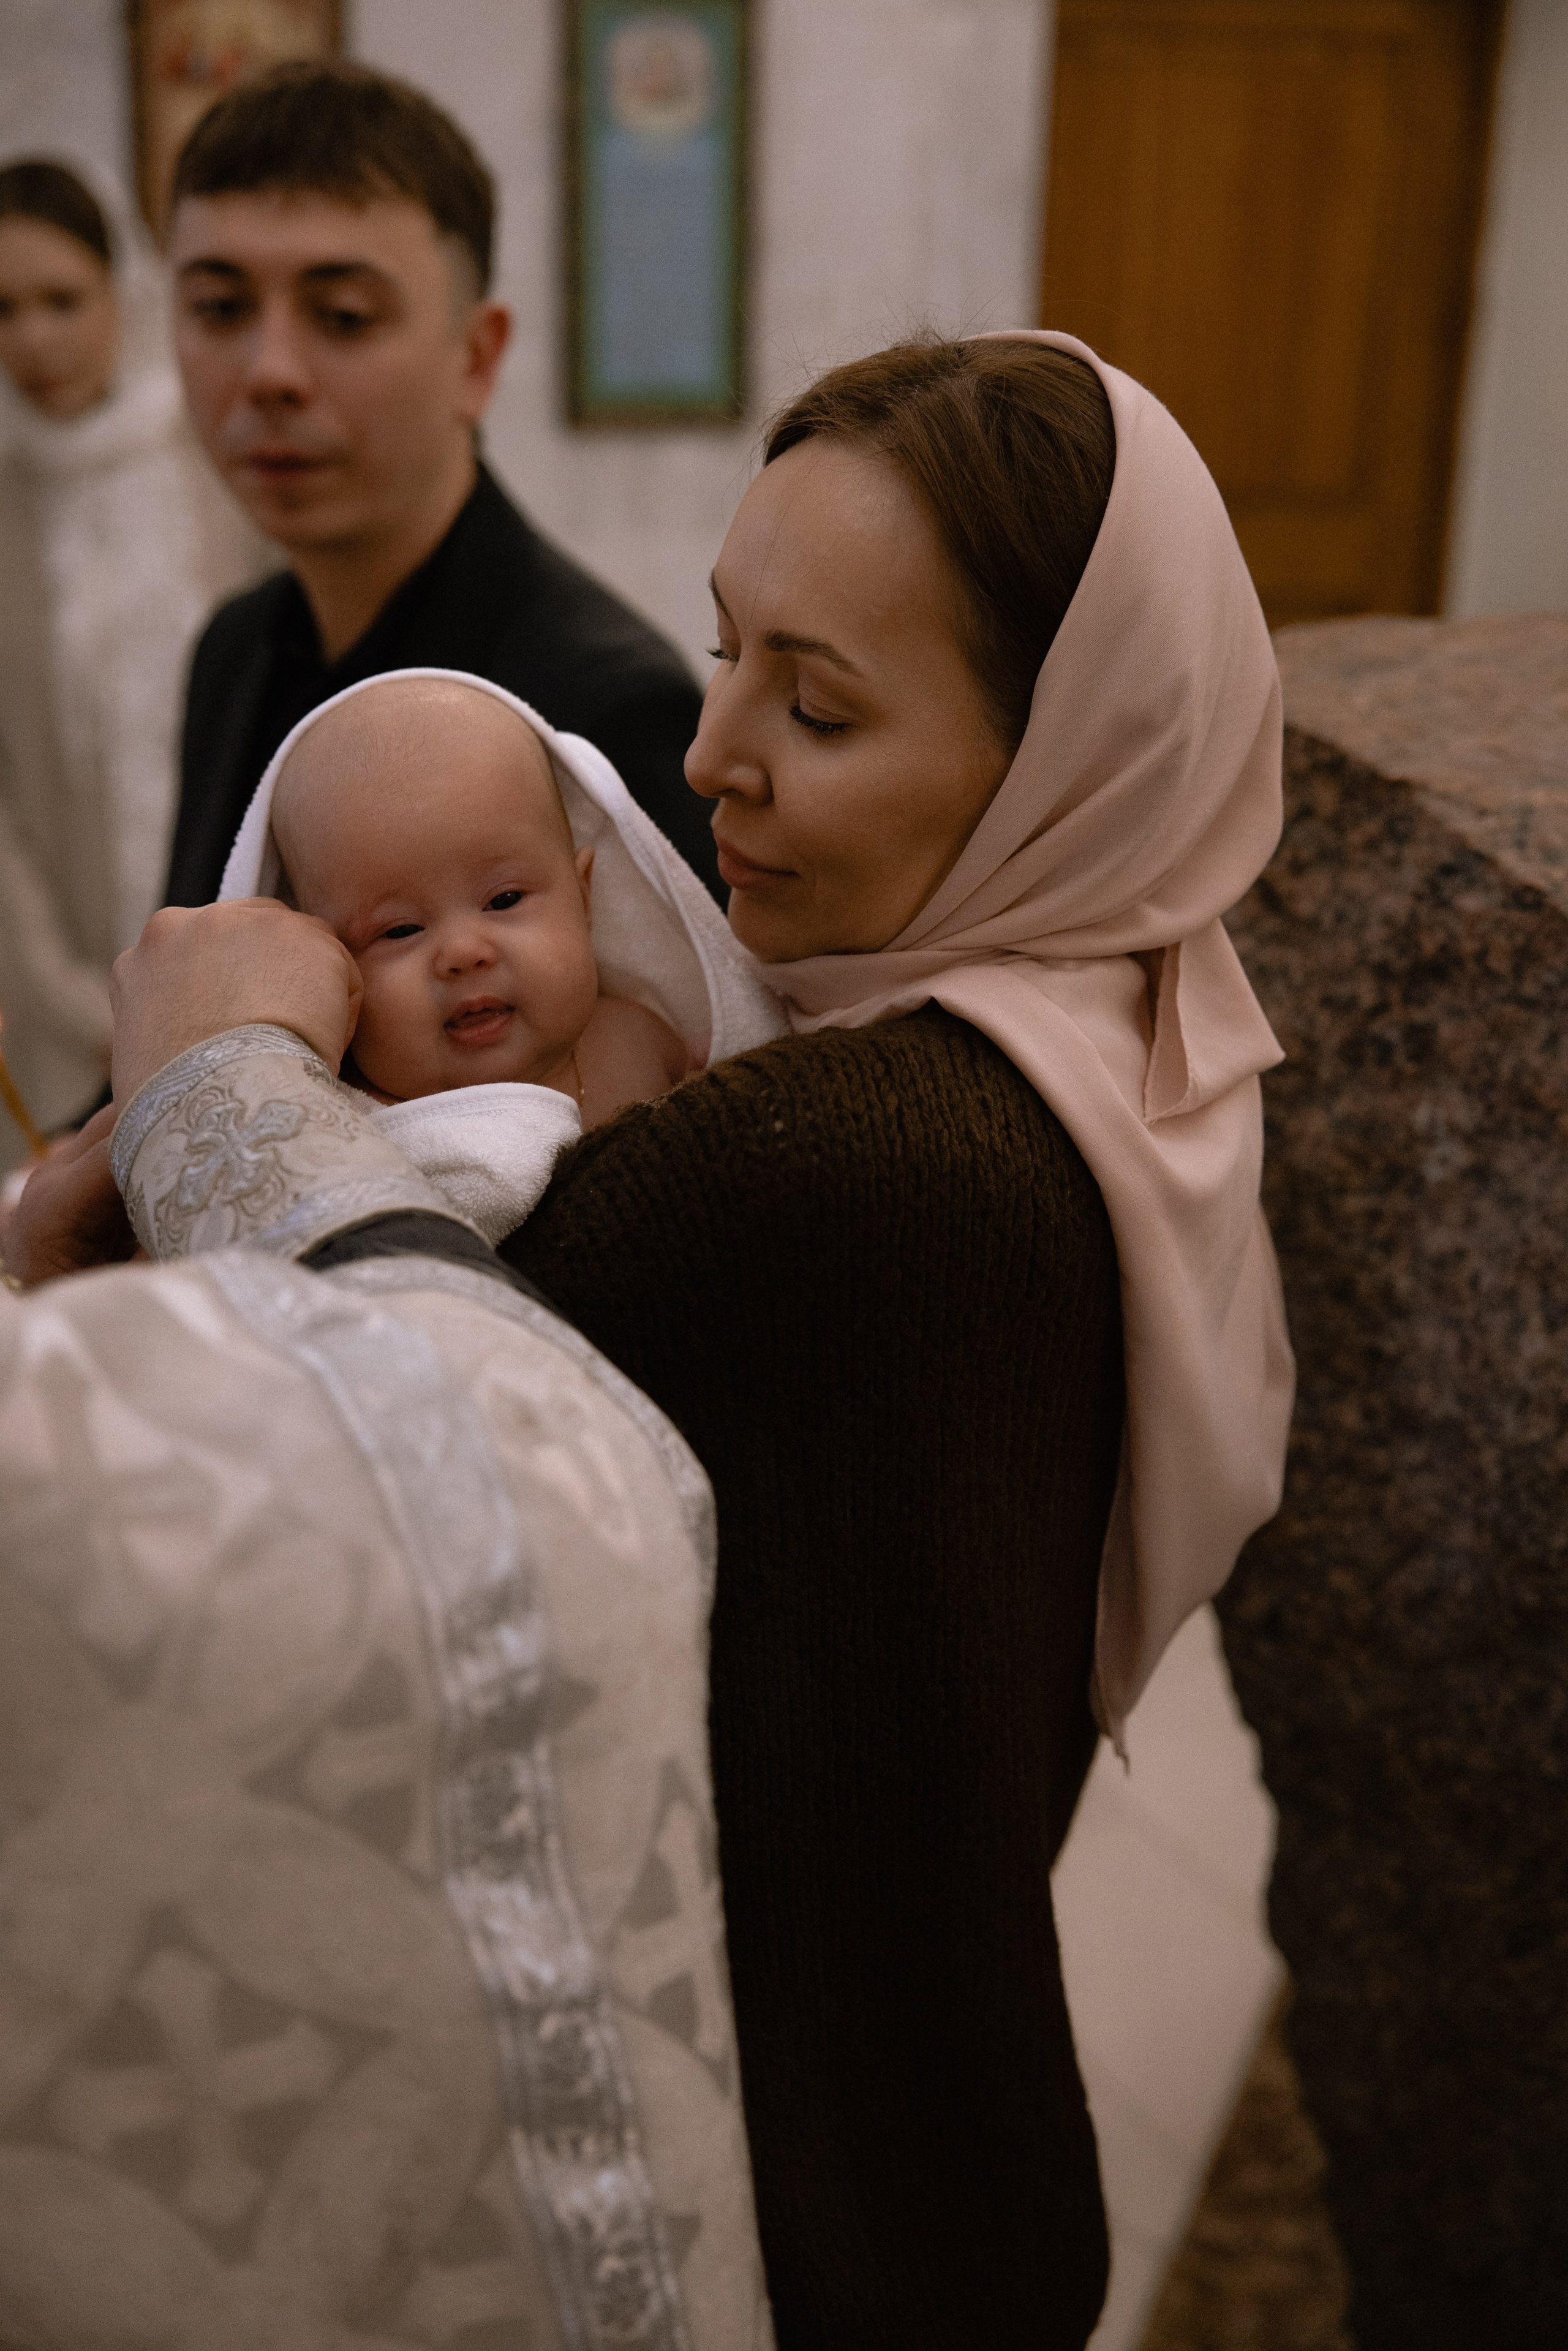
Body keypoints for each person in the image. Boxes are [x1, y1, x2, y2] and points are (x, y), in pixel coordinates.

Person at [13, 330, 1294, 2349]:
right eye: (726, 652)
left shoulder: (850, 1161)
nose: (706, 758)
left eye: (822, 702)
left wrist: (211, 1085)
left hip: (805, 2211)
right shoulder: (1113, 1021)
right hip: (925, 2125)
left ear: (1072, 750)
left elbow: (404, 1427)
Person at [160, 59, 720, 911]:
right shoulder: (234, 649)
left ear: (477, 357)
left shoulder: (598, 705)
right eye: (220, 308)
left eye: (343, 315)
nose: (270, 372)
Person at [221, 665, 778, 1238]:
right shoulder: (347, 1134)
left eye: (504, 899)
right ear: (330, 971)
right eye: (399, 931)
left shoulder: (645, 1039)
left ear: (584, 899)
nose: (463, 952)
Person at [0, 155, 262, 1160]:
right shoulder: (9, 502)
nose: (35, 339)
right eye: (6, 307)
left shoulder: (226, 469)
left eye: (62, 299)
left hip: (251, 941)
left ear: (125, 290)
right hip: (62, 987)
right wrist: (76, 997)